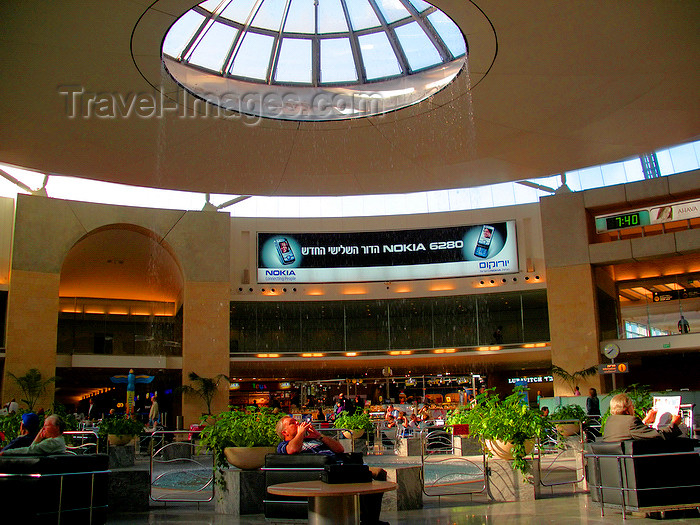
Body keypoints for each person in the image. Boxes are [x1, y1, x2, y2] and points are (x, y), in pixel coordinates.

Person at [275, 416, 389, 525]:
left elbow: (340, 449)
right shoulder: (284, 445)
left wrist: (319, 436)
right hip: (330, 473)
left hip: (343, 466)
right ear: (285, 433)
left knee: (379, 473)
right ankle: (369, 521)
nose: (297, 423)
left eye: (296, 421)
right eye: (292, 423)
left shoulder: (314, 441)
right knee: (369, 476)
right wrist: (300, 433)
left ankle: (370, 520)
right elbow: (292, 450)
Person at [603, 393, 682, 442]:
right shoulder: (631, 421)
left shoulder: (609, 421)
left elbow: (628, 432)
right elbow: (658, 435)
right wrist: (674, 424)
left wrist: (645, 420)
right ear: (627, 410)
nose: (633, 408)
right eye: (632, 406)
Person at [0, 414, 66, 455]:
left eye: (46, 426)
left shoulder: (52, 442)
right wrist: (38, 437)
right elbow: (32, 449)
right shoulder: (59, 441)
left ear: (57, 427)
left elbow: (30, 450)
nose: (43, 429)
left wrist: (5, 453)